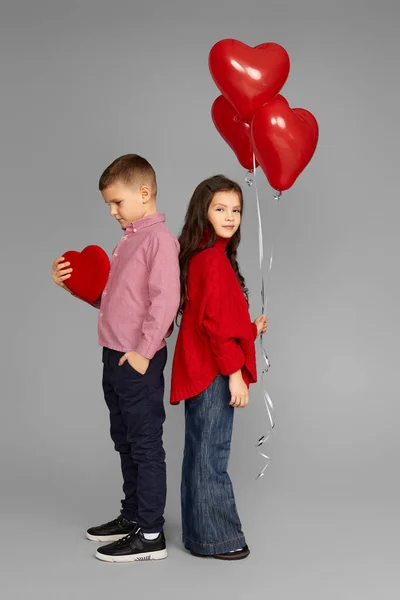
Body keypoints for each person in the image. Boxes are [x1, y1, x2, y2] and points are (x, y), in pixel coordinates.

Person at [51, 154, 180, 562]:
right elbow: (118, 302)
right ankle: (133, 516)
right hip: (114, 356)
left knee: (144, 444)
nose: (112, 212)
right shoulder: (129, 239)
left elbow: (166, 301)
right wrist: (76, 287)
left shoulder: (158, 240)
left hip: (137, 360)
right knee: (124, 440)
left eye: (117, 203)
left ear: (144, 194)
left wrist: (143, 353)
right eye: (109, 205)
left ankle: (152, 534)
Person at [170, 174, 267, 560]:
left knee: (200, 451)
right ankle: (217, 539)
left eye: (236, 210)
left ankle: (201, 535)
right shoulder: (211, 260)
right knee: (211, 454)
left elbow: (217, 318)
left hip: (204, 368)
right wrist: (234, 375)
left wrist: (249, 329)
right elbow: (213, 325)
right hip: (213, 373)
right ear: (203, 213)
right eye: (220, 209)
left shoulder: (208, 256)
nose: (230, 216)